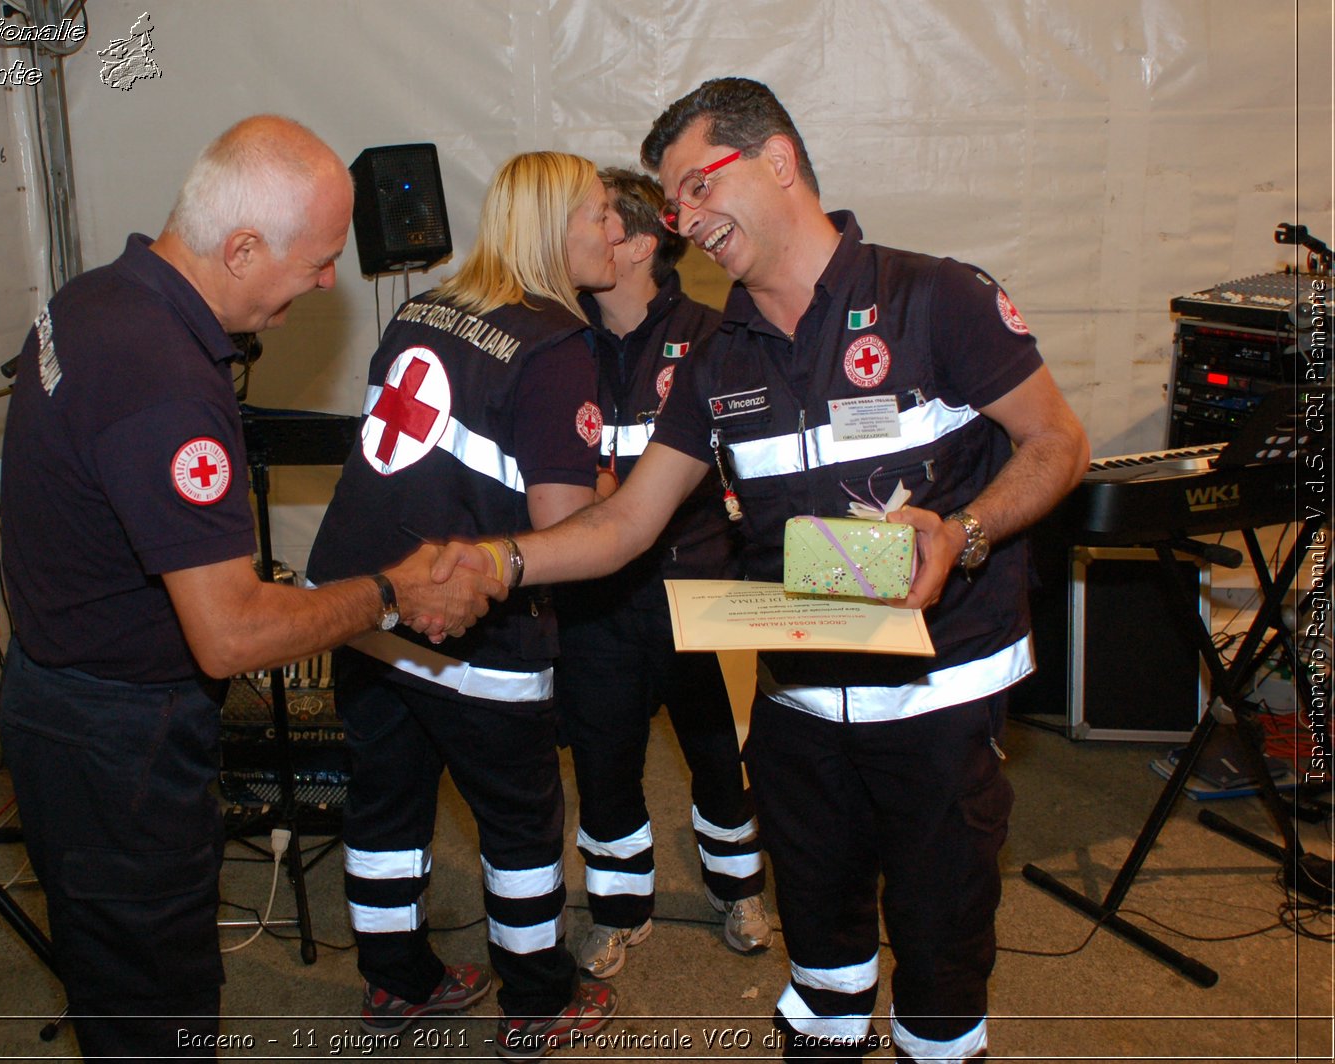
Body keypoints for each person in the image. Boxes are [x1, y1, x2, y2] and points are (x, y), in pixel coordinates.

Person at [440, 79, 1090, 1063]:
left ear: (778, 159)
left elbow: (1056, 441)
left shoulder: (934, 296)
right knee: (822, 958)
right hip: (795, 700)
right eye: (674, 207)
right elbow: (625, 523)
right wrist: (500, 559)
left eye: (699, 188)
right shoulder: (715, 355)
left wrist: (964, 527)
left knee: (940, 955)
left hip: (938, 697)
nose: (687, 222)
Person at [0, 115, 503, 1061]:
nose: (325, 283)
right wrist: (391, 592)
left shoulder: (98, 296)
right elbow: (228, 636)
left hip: (65, 702)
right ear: (239, 247)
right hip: (116, 740)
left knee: (132, 973)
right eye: (316, 262)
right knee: (155, 1002)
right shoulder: (165, 383)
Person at [305, 151, 624, 1060]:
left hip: (363, 605)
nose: (617, 232)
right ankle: (537, 999)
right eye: (601, 215)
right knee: (521, 821)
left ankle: (396, 983)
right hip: (474, 622)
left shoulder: (425, 306)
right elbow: (563, 530)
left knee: (384, 810)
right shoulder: (558, 346)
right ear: (557, 229)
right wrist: (626, 490)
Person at [556, 168, 771, 979]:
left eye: (599, 220)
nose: (578, 235)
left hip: (695, 590)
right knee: (604, 760)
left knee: (718, 754)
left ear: (642, 243)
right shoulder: (556, 337)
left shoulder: (716, 338)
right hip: (594, 598)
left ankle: (738, 887)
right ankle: (617, 909)